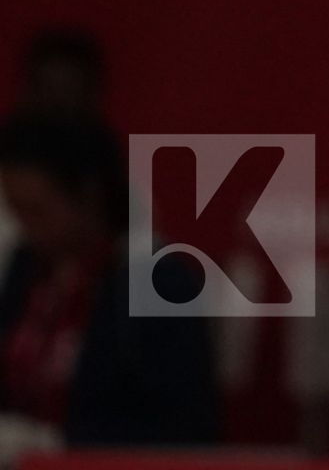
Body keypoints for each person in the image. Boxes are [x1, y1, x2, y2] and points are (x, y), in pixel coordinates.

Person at [0, 111, 219, 446]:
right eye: (17, 210)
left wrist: (55, 443)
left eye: (38, 210)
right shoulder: (25, 268)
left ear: (89, 196)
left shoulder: (158, 284)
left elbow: (185, 428)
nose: (25, 226)